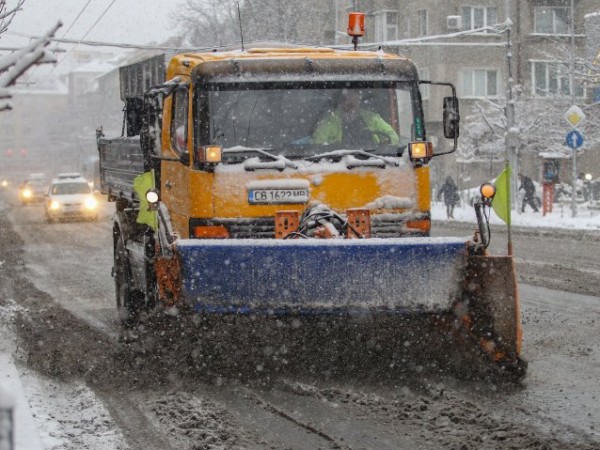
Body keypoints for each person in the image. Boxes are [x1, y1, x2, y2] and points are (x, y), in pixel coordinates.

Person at [312, 90, 400, 146]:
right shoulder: (329, 122)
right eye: (345, 100)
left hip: (373, 159)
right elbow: (317, 146)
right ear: (340, 102)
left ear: (358, 101)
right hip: (338, 164)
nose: (348, 103)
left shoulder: (372, 118)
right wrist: (332, 148)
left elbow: (393, 135)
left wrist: (387, 143)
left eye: (352, 101)